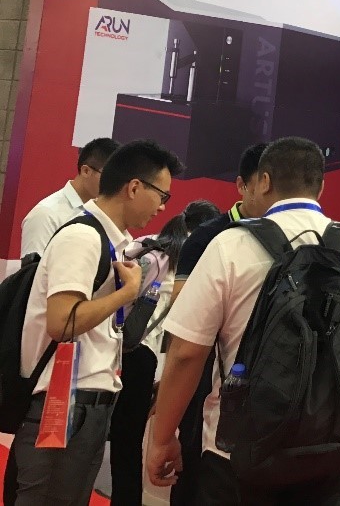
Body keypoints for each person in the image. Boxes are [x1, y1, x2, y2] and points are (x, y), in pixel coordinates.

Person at [146, 137, 340, 506]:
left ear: (264, 181)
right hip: (328, 452)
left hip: (238, 454)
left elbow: (185, 353)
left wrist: (163, 438)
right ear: (321, 186)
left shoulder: (230, 246)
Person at [9, 139, 181, 505]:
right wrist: (126, 293)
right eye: (161, 195)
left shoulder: (114, 242)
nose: (163, 207)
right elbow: (62, 321)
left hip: (88, 404)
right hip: (62, 403)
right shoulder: (83, 237)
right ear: (134, 187)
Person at [167, 143, 268, 506]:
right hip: (207, 370)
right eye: (264, 185)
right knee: (195, 466)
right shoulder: (209, 237)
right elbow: (182, 310)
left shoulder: (292, 236)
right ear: (242, 185)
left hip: (267, 379)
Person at [109, 199, 220, 506]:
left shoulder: (151, 248)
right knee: (129, 443)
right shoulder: (190, 261)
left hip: (120, 352)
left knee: (118, 441)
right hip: (142, 358)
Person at [19, 137, 119, 255]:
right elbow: (36, 266)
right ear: (86, 171)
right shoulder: (46, 215)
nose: (115, 185)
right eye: (109, 177)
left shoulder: (103, 213)